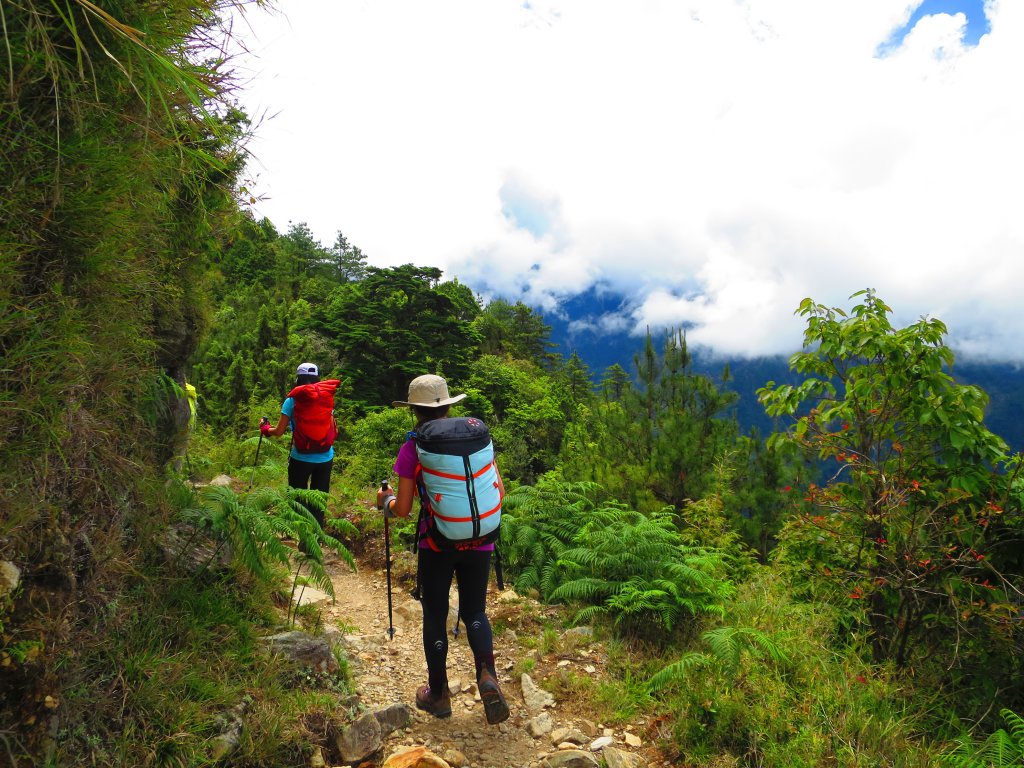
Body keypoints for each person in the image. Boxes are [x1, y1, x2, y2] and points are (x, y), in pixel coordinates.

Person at [377, 374, 510, 725]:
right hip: (482, 538)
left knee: (435, 615)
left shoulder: (412, 448)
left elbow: (403, 509)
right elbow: (500, 491)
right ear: (449, 405)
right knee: (475, 612)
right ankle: (488, 676)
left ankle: (438, 694)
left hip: (437, 542)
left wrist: (386, 501)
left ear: (414, 411)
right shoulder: (478, 439)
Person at [260, 362, 339, 529]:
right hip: (326, 457)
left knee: (297, 498)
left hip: (301, 457)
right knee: (319, 499)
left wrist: (265, 428)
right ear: (317, 378)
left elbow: (279, 431)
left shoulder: (292, 400)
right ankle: (314, 541)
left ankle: (300, 532)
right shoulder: (325, 397)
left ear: (298, 378)